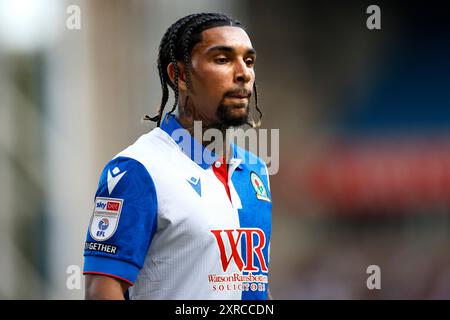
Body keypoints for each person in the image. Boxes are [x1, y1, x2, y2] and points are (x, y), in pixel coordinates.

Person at [83, 12, 272, 300]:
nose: (244, 73)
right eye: (222, 59)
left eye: (248, 61)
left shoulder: (255, 170)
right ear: (180, 76)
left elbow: (254, 288)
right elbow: (102, 290)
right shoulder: (137, 169)